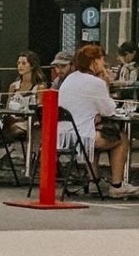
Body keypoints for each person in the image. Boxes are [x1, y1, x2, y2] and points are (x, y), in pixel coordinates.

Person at [58, 43, 136, 197]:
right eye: (101, 60)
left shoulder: (69, 79)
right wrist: (105, 84)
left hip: (62, 135)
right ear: (93, 62)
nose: (104, 63)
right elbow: (109, 110)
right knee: (121, 139)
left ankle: (94, 181)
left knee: (97, 133)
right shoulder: (96, 83)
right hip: (82, 136)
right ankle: (117, 185)